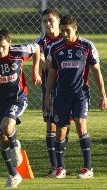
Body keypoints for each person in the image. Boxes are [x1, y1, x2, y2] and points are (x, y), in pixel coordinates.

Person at [45, 15, 107, 179]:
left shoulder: (87, 46)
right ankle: (60, 168)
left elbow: (96, 71)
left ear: (75, 28)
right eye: (63, 31)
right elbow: (51, 74)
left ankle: (87, 168)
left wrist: (103, 94)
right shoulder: (56, 48)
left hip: (80, 94)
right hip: (60, 96)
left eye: (68, 31)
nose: (64, 34)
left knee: (80, 125)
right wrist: (47, 96)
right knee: (61, 131)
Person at [0, 29, 41, 188]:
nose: (0, 50)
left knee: (6, 127)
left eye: (3, 46)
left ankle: (16, 146)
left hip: (17, 98)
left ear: (9, 43)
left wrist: (35, 71)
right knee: (2, 138)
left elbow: (37, 49)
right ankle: (14, 174)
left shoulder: (19, 51)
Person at [34, 9, 70, 177]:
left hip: (68, 89)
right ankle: (54, 165)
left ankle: (61, 164)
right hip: (49, 88)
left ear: (58, 20)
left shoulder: (67, 38)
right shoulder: (41, 42)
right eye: (45, 21)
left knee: (65, 126)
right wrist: (41, 63)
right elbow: (41, 61)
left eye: (51, 20)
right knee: (50, 124)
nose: (48, 24)